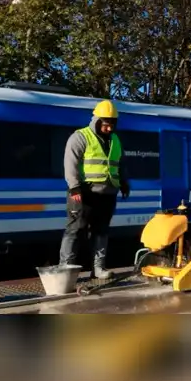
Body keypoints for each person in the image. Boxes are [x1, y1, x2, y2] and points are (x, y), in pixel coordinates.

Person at [59, 100, 130, 279]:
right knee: (75, 230)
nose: (109, 128)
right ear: (97, 120)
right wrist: (74, 187)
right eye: (106, 124)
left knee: (102, 231)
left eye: (112, 124)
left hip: (107, 194)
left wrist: (124, 182)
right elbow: (71, 163)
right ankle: (65, 269)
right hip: (84, 193)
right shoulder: (80, 137)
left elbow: (119, 164)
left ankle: (98, 269)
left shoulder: (115, 140)